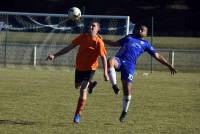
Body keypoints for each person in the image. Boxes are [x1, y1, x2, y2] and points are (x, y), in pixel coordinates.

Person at [104, 25, 177, 122]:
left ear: (146, 34)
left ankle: (124, 112)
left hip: (129, 66)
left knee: (127, 90)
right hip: (120, 60)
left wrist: (168, 65)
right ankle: (114, 85)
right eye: (139, 28)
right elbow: (115, 43)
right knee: (110, 60)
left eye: (143, 30)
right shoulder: (129, 37)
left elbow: (157, 55)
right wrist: (103, 40)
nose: (140, 30)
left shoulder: (146, 44)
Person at [46, 21, 109, 124]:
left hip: (91, 68)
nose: (91, 27)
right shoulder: (82, 37)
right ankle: (91, 85)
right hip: (80, 67)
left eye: (94, 26)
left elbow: (103, 58)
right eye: (90, 25)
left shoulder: (99, 42)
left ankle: (77, 115)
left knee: (83, 89)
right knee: (77, 86)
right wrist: (55, 55)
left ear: (98, 29)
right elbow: (68, 48)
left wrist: (105, 73)